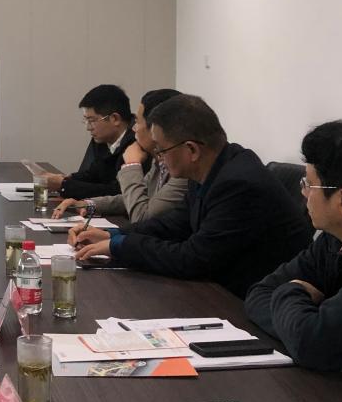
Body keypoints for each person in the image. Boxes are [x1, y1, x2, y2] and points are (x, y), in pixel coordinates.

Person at [72, 94, 311, 298]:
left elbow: (192, 259)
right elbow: (175, 223)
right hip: (220, 290)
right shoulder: (214, 168)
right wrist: (114, 235)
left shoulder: (239, 184)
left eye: (161, 149)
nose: (158, 157)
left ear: (192, 150)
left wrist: (120, 246)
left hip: (248, 303)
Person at [246, 120, 342, 400]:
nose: (303, 193)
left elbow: (312, 343)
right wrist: (333, 343)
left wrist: (293, 290)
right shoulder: (335, 238)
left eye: (309, 184)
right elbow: (259, 293)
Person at [52, 89, 189, 223]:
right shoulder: (159, 162)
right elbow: (129, 198)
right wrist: (87, 204)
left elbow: (141, 217)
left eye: (138, 122)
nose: (134, 128)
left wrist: (131, 165)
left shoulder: (182, 173)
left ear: (156, 129)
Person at [41, 84, 136, 199]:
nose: (88, 128)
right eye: (85, 121)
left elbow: (117, 192)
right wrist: (66, 179)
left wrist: (64, 185)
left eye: (92, 121)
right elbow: (93, 175)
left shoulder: (136, 143)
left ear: (115, 119)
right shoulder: (102, 139)